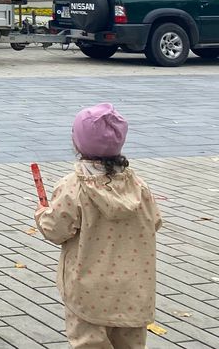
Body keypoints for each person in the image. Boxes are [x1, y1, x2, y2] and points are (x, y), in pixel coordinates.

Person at [35, 103, 162, 349]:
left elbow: (55, 229)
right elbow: (154, 221)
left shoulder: (74, 186)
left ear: (78, 143)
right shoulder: (138, 186)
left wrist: (42, 214)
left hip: (88, 291)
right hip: (133, 289)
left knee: (88, 344)